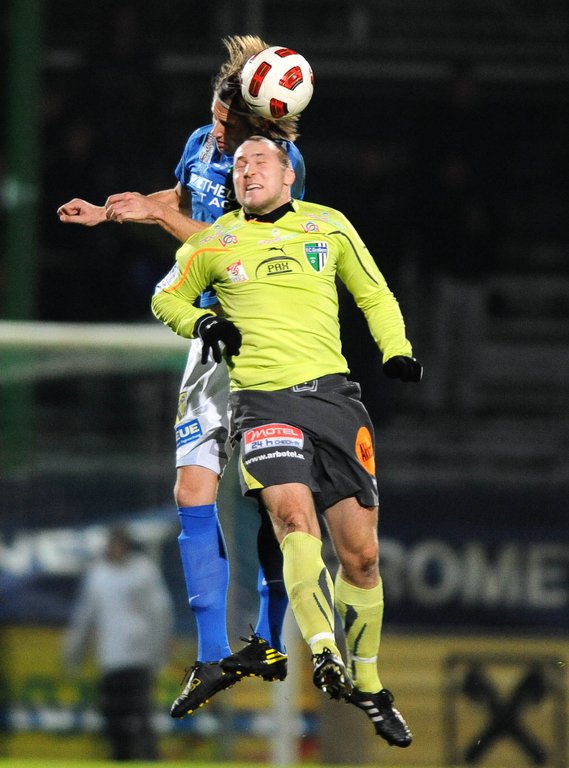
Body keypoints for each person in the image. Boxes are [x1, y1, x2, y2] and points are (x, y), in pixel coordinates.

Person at [57, 36, 306, 716]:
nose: (219, 131)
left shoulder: (276, 167)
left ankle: (268, 640)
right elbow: (181, 191)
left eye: (231, 123)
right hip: (208, 335)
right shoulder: (202, 141)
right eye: (215, 117)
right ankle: (212, 655)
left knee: (269, 499)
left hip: (262, 339)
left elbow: (237, 246)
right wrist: (121, 207)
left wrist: (161, 215)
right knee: (191, 488)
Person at [151, 136, 423, 747]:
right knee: (294, 520)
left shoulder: (330, 226)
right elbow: (164, 297)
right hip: (263, 404)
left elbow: (374, 293)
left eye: (258, 161)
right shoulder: (214, 241)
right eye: (238, 164)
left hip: (335, 401)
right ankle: (324, 651)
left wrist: (397, 349)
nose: (245, 171)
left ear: (288, 174)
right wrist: (202, 320)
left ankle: (370, 685)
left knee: (362, 557)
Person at [63, 526, 174, 761]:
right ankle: (120, 759)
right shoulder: (98, 576)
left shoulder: (143, 571)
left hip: (139, 657)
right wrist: (74, 652)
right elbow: (85, 616)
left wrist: (158, 652)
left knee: (141, 714)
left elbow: (160, 612)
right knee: (113, 714)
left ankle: (149, 758)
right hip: (111, 658)